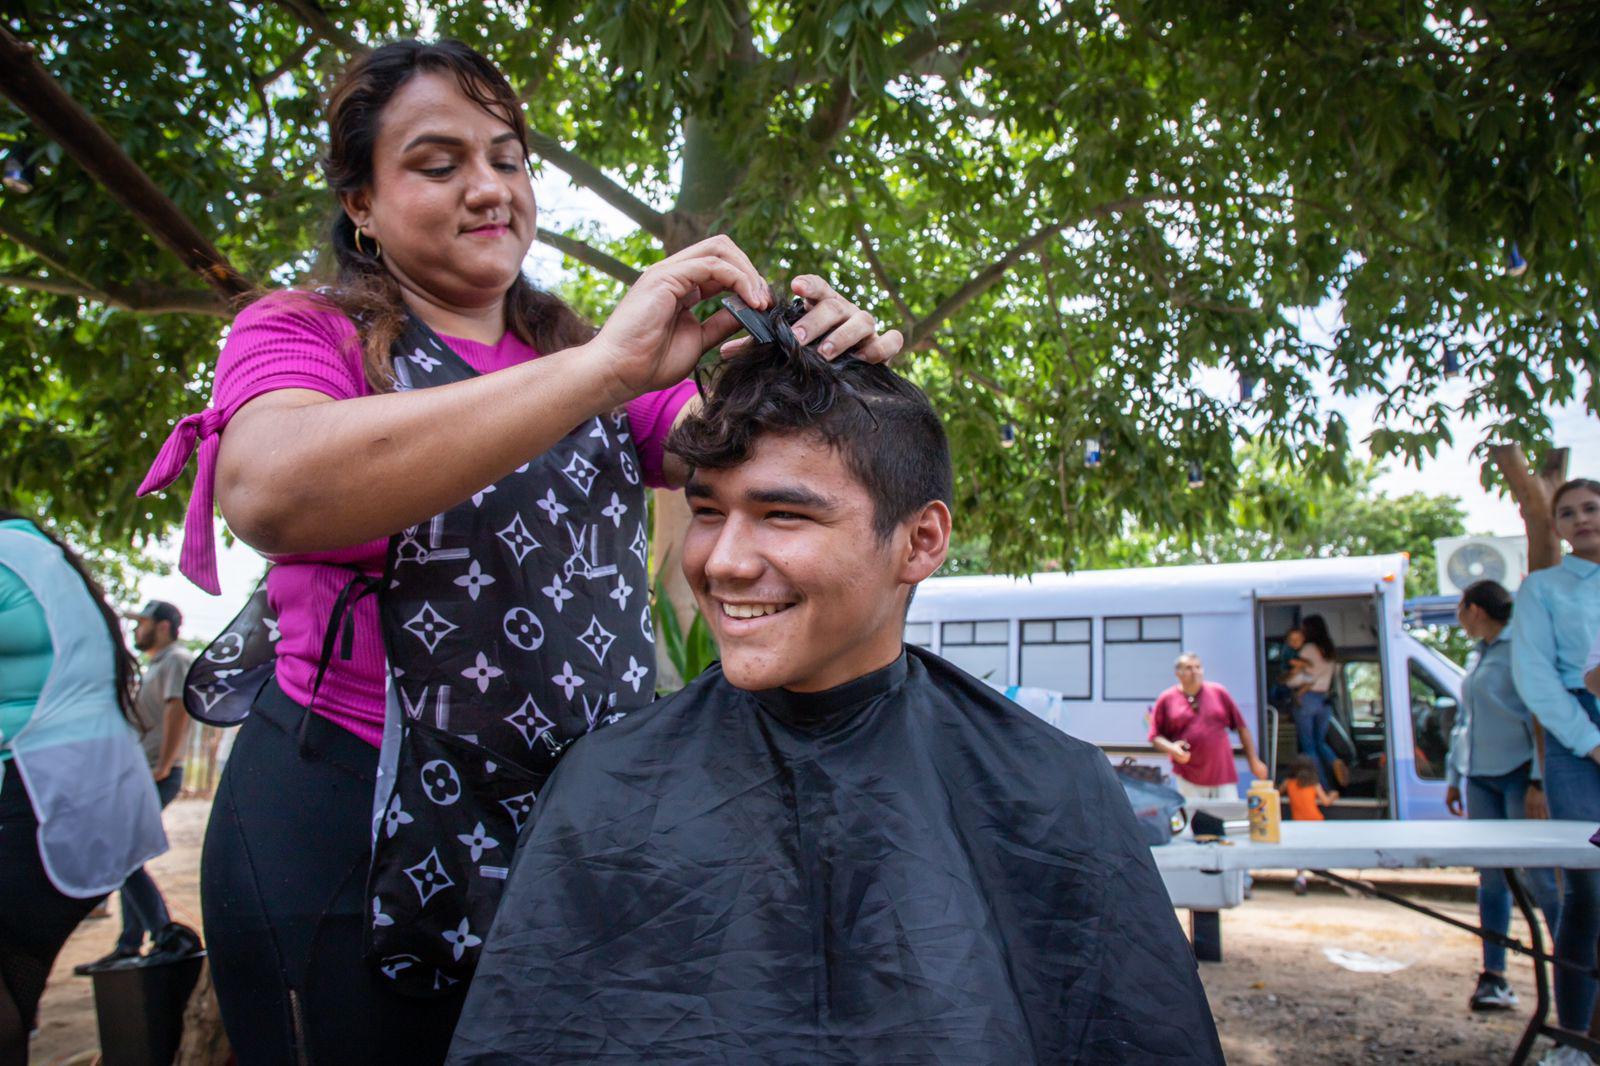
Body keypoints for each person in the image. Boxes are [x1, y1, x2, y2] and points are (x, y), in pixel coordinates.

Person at [134, 39, 900, 1064]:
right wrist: (602, 371)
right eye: (439, 164)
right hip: (346, 828)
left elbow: (758, 462)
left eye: (507, 157)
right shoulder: (299, 330)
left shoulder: (586, 356)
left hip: (574, 829)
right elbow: (273, 490)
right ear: (359, 201)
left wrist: (823, 365)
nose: (490, 189)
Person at [449, 304, 1223, 1064]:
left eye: (783, 515)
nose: (722, 562)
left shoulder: (1054, 789)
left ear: (920, 542)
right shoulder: (605, 787)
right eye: (709, 512)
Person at [0, 512, 166, 1063]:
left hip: (42, 798)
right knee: (14, 984)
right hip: (96, 794)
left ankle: (152, 935)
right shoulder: (37, 555)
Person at [1510, 478, 1600, 1060]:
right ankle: (1574, 1036)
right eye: (1567, 513)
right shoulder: (1544, 588)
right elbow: (1536, 676)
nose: (1581, 519)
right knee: (1588, 890)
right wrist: (1590, 741)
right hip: (1579, 736)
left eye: (1590, 507)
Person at [1443, 579, 1562, 1012]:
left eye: (1460, 606)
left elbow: (1539, 715)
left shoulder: (1518, 648)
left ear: (1475, 609)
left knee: (1540, 879)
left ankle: (1574, 973)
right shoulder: (1479, 655)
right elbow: (1466, 722)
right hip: (1480, 779)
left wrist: (1538, 780)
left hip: (1518, 776)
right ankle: (1494, 976)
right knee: (1492, 879)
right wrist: (1455, 775)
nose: (1459, 614)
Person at [75, 601, 195, 973]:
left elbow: (179, 708)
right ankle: (132, 942)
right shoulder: (155, 666)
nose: (136, 630)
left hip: (156, 772)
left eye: (142, 623)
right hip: (139, 772)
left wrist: (163, 765)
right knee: (127, 854)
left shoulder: (176, 659)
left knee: (121, 853)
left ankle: (163, 935)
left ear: (162, 626)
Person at [1148, 651, 1270, 801]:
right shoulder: (1167, 698)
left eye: (1198, 667)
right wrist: (1172, 749)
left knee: (1225, 818)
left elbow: (1242, 728)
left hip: (1222, 773)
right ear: (1178, 673)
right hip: (1187, 774)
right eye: (1188, 668)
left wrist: (1253, 760)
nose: (1194, 672)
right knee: (1192, 820)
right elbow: (1154, 736)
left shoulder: (1219, 692)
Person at [1289, 613, 1343, 790]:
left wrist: (1288, 681)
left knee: (1309, 746)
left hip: (1307, 699)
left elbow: (1297, 679)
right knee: (1320, 742)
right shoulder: (1330, 649)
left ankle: (1321, 787)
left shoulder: (1308, 650)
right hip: (1324, 701)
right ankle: (1334, 760)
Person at [1281, 753, 1337, 895]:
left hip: (1298, 823)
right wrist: (1334, 795)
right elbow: (1325, 802)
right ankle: (1326, 874)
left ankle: (1300, 879)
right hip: (1316, 822)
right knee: (1317, 849)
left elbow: (1276, 793)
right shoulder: (1314, 783)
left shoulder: (1288, 783)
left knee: (1300, 852)